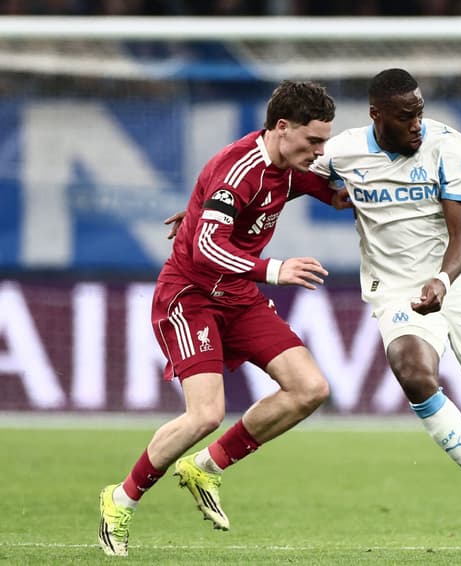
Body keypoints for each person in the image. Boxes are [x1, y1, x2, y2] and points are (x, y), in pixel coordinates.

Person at [310, 68, 461, 554]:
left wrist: (442, 281)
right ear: (376, 115)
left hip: (458, 281)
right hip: (395, 291)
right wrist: (210, 207)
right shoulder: (343, 152)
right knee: (414, 373)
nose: (417, 124)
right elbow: (281, 173)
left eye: (420, 112)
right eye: (406, 117)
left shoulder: (448, 145)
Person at [98, 80, 350, 557]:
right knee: (206, 414)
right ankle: (119, 499)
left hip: (236, 294)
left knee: (310, 388)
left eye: (324, 141)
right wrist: (276, 269)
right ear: (281, 128)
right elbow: (205, 246)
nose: (320, 151)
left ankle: (205, 468)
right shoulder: (239, 170)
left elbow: (338, 198)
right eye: (314, 140)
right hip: (190, 295)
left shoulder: (292, 165)